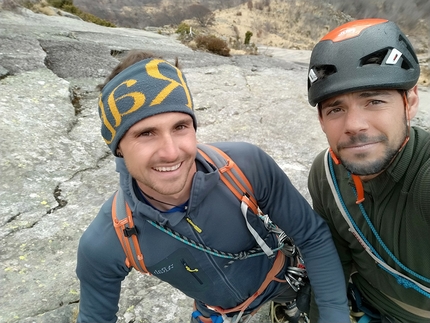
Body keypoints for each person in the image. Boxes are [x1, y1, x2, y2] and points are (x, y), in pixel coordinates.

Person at [76, 49, 350, 323]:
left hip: (285, 279)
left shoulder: (245, 166)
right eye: (146, 133)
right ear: (118, 147)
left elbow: (312, 237)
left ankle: (288, 307)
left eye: (180, 126)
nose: (170, 152)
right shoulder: (107, 242)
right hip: (219, 313)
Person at [307, 18, 430, 323]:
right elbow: (333, 258)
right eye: (336, 109)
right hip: (360, 303)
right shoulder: (325, 175)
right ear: (322, 121)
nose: (353, 126)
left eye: (374, 101)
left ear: (410, 102)